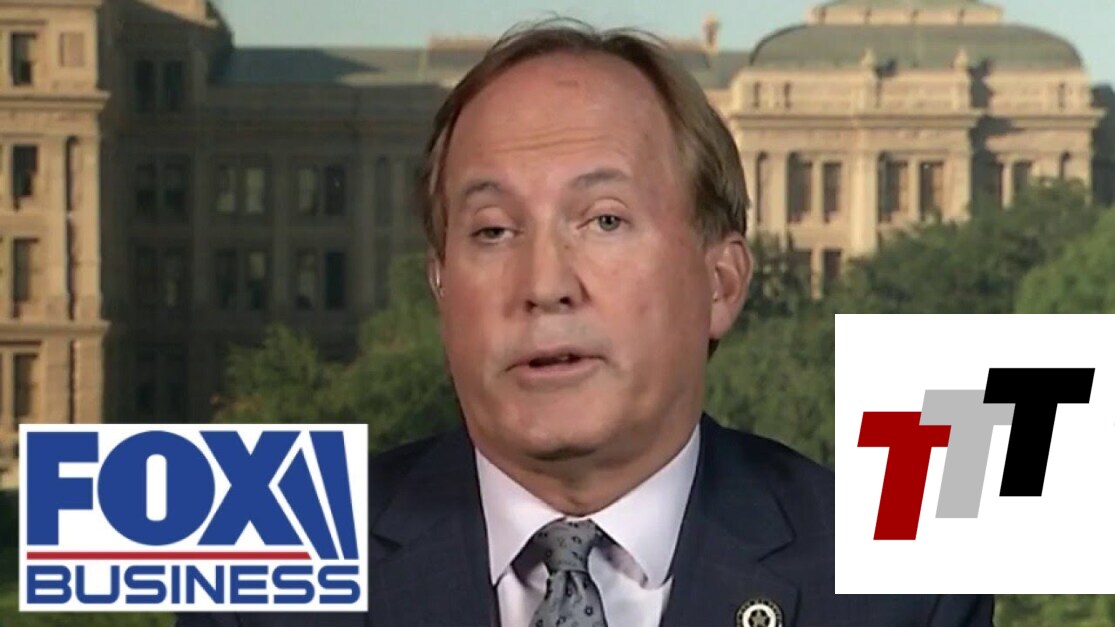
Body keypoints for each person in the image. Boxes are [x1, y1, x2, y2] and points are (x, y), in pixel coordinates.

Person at [178, 20, 993, 627]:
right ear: (440, 286)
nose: (544, 285)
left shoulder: (902, 585)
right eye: (493, 230)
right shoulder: (257, 572)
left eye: (604, 220)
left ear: (719, 282)